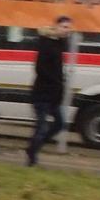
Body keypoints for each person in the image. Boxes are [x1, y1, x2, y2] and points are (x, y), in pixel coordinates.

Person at [24, 16, 72, 166]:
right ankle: (32, 158)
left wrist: (60, 83)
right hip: (42, 93)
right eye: (64, 27)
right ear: (56, 26)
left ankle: (33, 147)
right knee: (42, 127)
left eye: (69, 28)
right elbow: (40, 68)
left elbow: (58, 68)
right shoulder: (46, 43)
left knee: (60, 123)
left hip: (53, 94)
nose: (67, 31)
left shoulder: (59, 44)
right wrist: (56, 82)